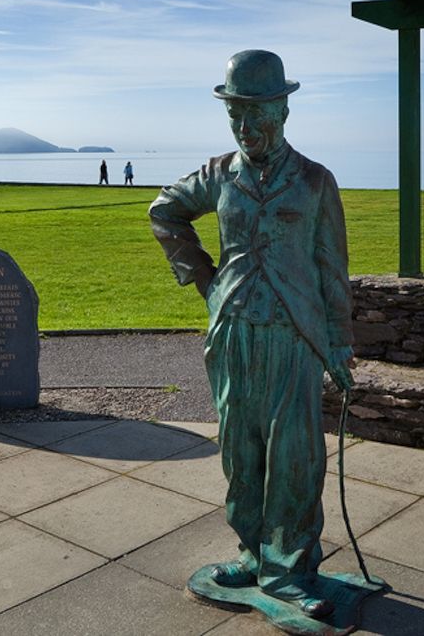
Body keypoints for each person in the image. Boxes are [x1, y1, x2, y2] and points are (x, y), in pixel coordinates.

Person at [149, 49, 354, 620]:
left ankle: (289, 569)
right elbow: (164, 211)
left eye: (256, 113)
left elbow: (331, 268)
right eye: (236, 114)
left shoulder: (315, 181)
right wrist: (207, 282)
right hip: (234, 330)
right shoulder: (219, 174)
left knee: (294, 454)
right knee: (240, 451)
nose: (245, 127)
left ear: (283, 110)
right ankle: (251, 550)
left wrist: (339, 343)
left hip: (293, 336)